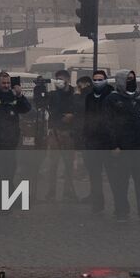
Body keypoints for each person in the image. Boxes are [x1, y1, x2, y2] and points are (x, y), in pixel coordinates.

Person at [107, 70, 140, 221]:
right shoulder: (112, 99)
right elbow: (108, 124)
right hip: (122, 148)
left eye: (132, 78)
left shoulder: (139, 98)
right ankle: (121, 210)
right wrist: (113, 145)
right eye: (128, 79)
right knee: (121, 181)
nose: (131, 81)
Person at [82, 70, 117, 214]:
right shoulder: (89, 96)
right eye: (95, 79)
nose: (97, 82)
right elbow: (86, 116)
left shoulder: (112, 95)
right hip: (92, 142)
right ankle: (97, 203)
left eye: (100, 79)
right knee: (94, 175)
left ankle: (119, 204)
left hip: (108, 142)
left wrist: (115, 143)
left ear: (106, 80)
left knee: (113, 176)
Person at [43, 70, 79, 201]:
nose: (59, 81)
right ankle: (51, 191)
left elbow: (80, 109)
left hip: (69, 132)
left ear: (68, 80)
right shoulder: (53, 95)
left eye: (61, 79)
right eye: (57, 79)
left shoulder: (75, 94)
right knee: (53, 163)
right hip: (56, 131)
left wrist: (72, 116)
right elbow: (45, 106)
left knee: (68, 162)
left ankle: (68, 190)